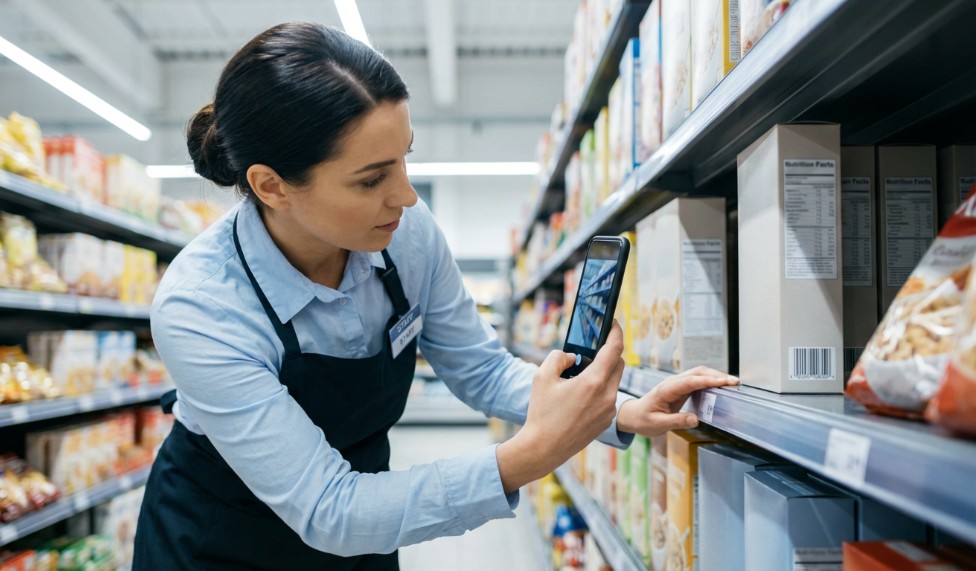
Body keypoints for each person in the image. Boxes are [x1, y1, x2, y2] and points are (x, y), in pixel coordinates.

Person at [132, 21, 738, 571]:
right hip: (219, 541)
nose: (407, 197)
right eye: (372, 178)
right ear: (272, 186)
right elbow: (328, 509)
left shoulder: (406, 236)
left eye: (404, 160)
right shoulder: (203, 306)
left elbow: (478, 368)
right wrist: (529, 455)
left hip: (365, 522)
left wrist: (612, 405)